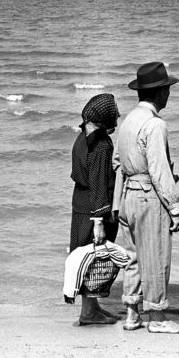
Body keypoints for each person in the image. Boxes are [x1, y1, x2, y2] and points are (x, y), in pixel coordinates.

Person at [116, 61, 179, 334]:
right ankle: (157, 317)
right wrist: (175, 207)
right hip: (149, 196)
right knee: (157, 256)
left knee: (133, 257)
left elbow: (117, 162)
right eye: (167, 89)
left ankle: (132, 313)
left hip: (129, 196)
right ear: (160, 93)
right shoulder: (155, 124)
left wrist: (117, 204)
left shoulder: (127, 122)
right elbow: (159, 171)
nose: (169, 94)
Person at [68, 93, 121, 325]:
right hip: (93, 208)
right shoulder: (101, 144)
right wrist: (99, 219)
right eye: (113, 115)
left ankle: (93, 307)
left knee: (86, 255)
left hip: (80, 203)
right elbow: (99, 182)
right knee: (94, 257)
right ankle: (88, 313)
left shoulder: (82, 138)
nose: (116, 119)